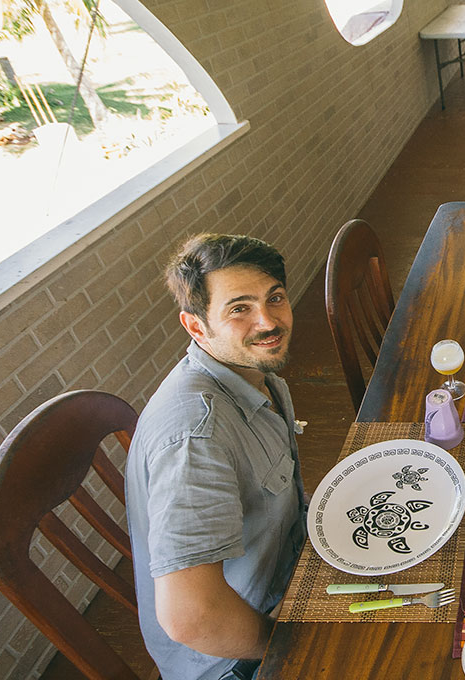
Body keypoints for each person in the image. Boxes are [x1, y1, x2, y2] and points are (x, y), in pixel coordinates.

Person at [126, 234, 305, 680]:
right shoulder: (196, 438)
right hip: (240, 657)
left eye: (275, 298)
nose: (268, 321)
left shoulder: (248, 370)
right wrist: (289, 646)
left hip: (290, 568)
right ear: (195, 326)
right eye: (239, 308)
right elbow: (192, 616)